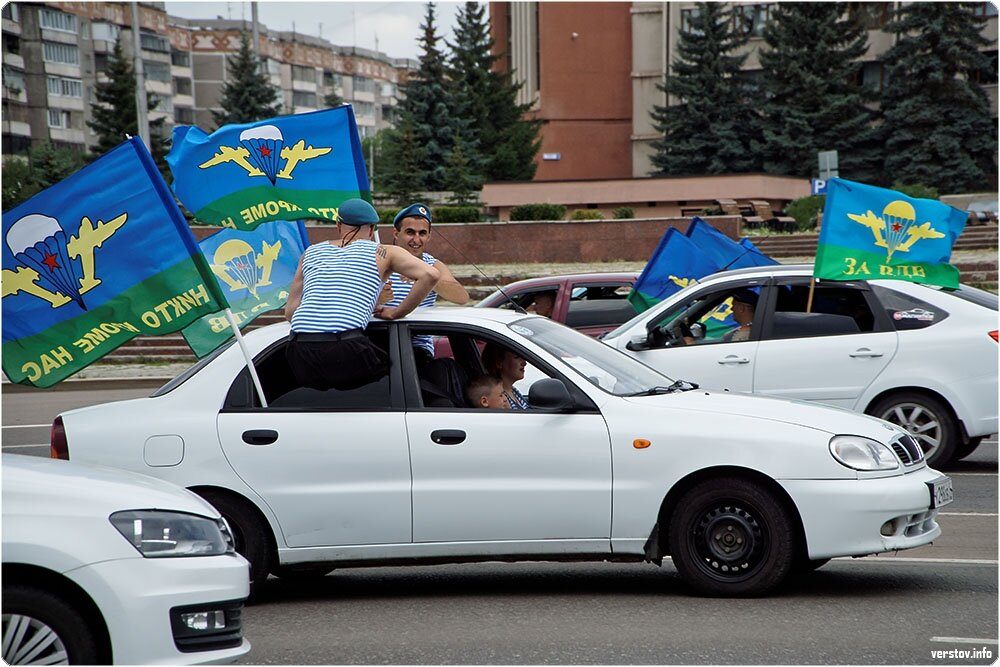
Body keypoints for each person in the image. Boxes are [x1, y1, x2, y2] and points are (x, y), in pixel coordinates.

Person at [284, 198, 440, 391]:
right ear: (373, 227)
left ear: (338, 224)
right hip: (345, 346)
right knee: (402, 384)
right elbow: (430, 275)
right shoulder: (383, 252)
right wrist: (395, 313)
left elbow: (290, 312)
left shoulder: (311, 252)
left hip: (299, 348)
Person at [386, 202, 469, 362]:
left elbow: (461, 298)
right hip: (381, 343)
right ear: (396, 234)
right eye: (410, 232)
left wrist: (427, 277)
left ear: (429, 236)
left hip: (418, 351)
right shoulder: (382, 260)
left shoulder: (433, 265)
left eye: (422, 233)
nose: (416, 239)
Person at [481, 342, 529, 410]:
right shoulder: (500, 401)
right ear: (499, 363)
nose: (524, 363)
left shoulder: (513, 391)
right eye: (517, 357)